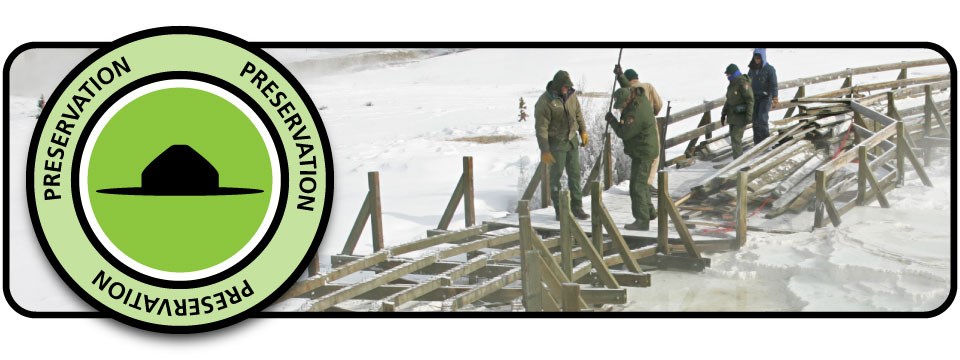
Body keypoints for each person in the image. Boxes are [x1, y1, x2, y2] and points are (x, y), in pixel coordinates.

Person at [535, 70, 590, 220]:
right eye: (565, 87)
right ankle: (560, 210)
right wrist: (544, 149)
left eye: (568, 86)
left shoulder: (572, 96)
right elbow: (541, 128)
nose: (567, 89)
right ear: (558, 86)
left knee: (575, 175)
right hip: (556, 144)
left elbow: (578, 114)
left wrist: (583, 131)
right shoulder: (544, 102)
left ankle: (577, 207)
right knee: (555, 177)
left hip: (572, 141)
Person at [605, 87, 658, 230]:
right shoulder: (641, 97)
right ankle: (649, 212)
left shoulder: (634, 113)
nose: (621, 108)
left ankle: (642, 220)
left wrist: (612, 120)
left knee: (636, 187)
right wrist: (620, 75)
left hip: (643, 152)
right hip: (646, 149)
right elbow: (628, 86)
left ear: (628, 100)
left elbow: (624, 133)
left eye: (621, 105)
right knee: (641, 183)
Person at [614, 65, 664, 188]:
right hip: (649, 126)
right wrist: (653, 113)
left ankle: (638, 183)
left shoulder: (628, 91)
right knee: (653, 154)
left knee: (637, 155)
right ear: (637, 78)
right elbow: (659, 104)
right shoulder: (647, 87)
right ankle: (647, 184)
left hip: (631, 127)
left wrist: (619, 76)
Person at [721, 64, 754, 159]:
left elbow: (750, 100)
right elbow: (729, 100)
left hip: (741, 116)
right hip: (732, 116)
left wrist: (749, 115)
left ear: (733, 74)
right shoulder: (732, 84)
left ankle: (738, 162)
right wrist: (723, 113)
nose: (727, 77)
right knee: (734, 138)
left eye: (728, 74)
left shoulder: (742, 83)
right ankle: (737, 159)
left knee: (736, 138)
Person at [746, 48, 778, 144]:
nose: (757, 60)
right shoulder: (752, 69)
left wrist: (775, 97)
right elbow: (748, 81)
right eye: (755, 58)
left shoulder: (770, 69)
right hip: (755, 97)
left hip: (765, 97)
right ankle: (757, 142)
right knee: (755, 119)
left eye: (759, 58)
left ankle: (765, 142)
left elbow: (774, 84)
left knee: (762, 119)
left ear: (763, 58)